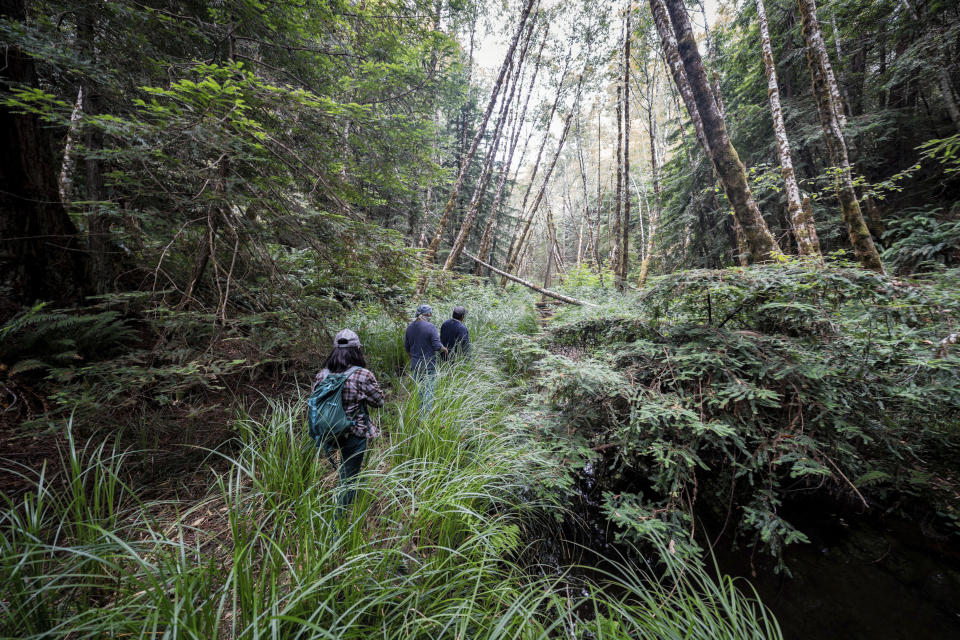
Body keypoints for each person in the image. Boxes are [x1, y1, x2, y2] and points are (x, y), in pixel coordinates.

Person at [312, 328, 384, 515]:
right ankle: (339, 521)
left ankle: (342, 502)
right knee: (349, 477)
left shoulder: (322, 374)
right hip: (354, 432)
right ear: (357, 349)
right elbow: (379, 402)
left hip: (329, 431)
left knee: (345, 471)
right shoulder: (362, 374)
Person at [404, 304, 446, 416]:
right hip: (429, 364)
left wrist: (413, 358)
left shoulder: (409, 327)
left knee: (419, 390)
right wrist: (444, 349)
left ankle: (418, 413)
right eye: (430, 313)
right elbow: (437, 346)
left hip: (415, 364)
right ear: (428, 314)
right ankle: (425, 417)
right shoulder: (430, 327)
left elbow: (407, 348)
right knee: (428, 390)